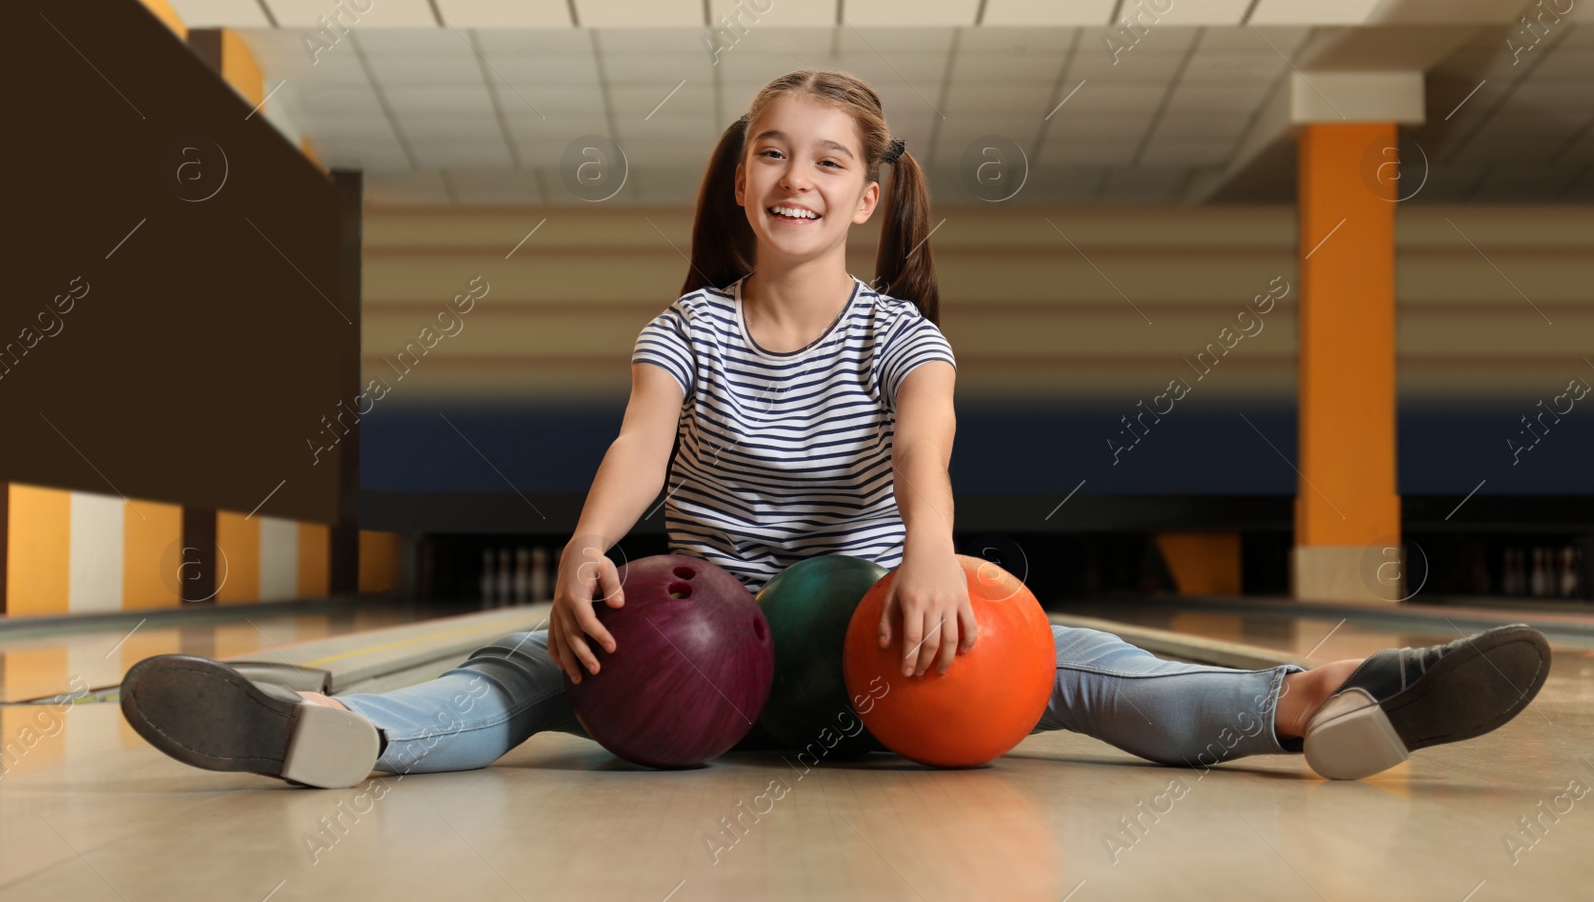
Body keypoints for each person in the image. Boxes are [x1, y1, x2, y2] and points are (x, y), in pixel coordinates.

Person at [119, 70, 1551, 789]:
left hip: (883, 634)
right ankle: (335, 734)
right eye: (771, 153)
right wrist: (582, 554)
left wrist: (936, 564)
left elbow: (927, 455)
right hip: (712, 643)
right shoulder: (686, 324)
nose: (794, 177)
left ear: (868, 197)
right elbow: (638, 443)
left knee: (1063, 660)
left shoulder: (897, 333)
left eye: (828, 161)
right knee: (532, 666)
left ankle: (1334, 701)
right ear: (741, 179)